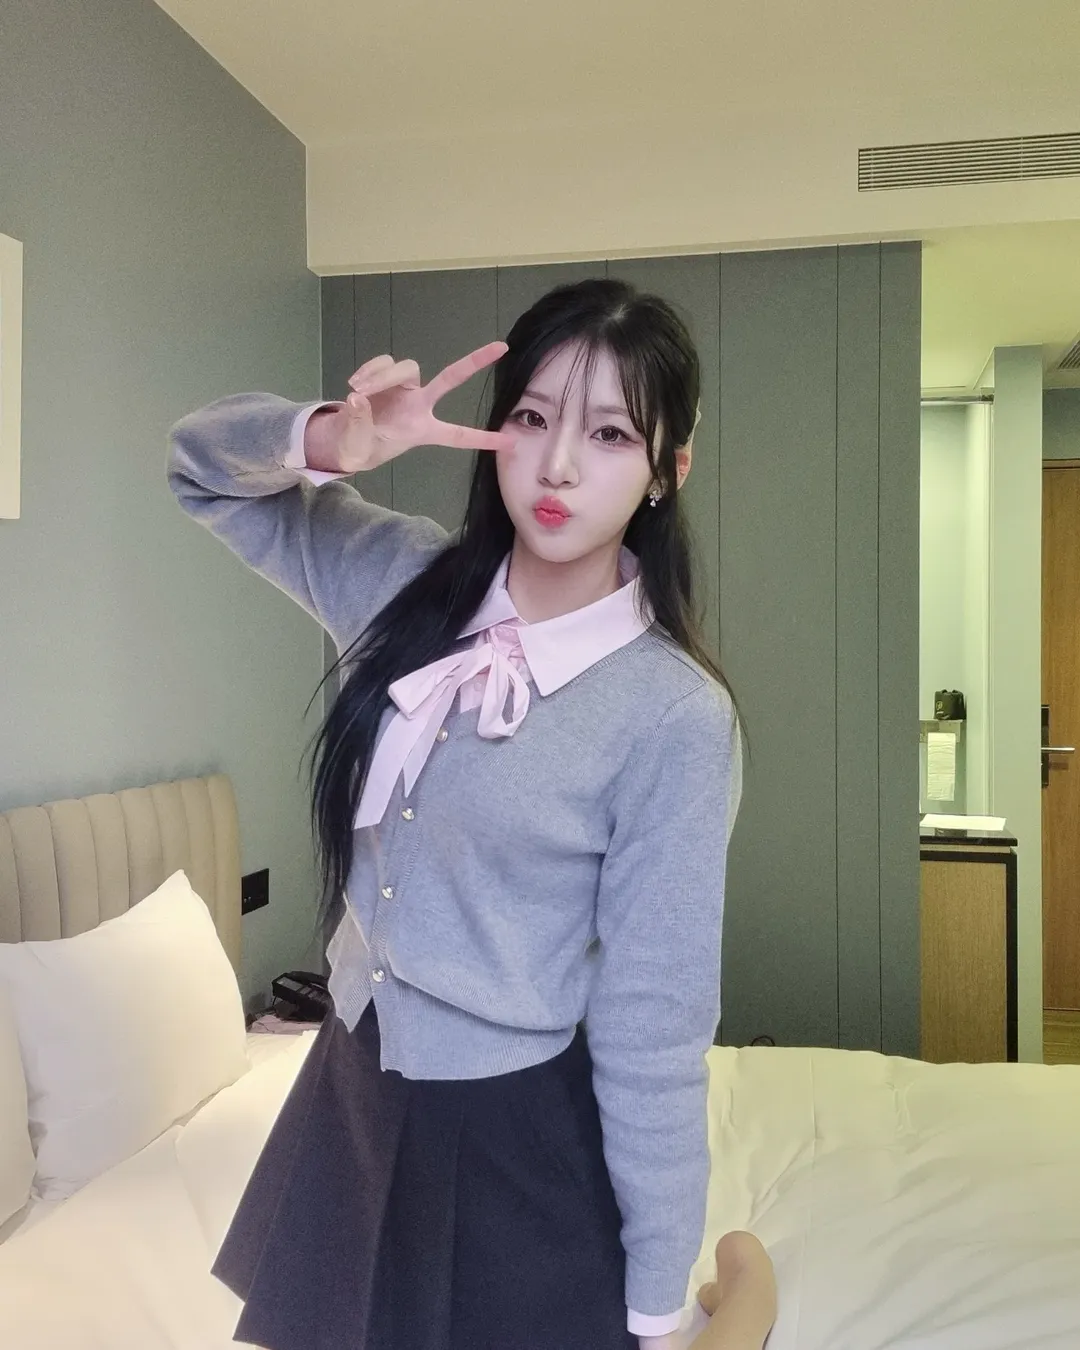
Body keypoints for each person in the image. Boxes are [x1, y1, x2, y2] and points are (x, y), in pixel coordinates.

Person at [168, 278, 750, 1350]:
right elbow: (200, 468)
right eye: (532, 417)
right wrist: (334, 440)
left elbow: (655, 1026)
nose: (558, 465)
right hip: (349, 1083)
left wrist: (660, 1306)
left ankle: (735, 1297)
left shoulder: (673, 716)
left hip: (511, 1132)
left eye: (610, 433)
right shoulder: (403, 579)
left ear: (670, 470)